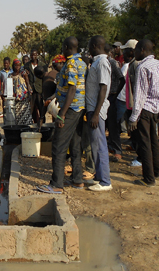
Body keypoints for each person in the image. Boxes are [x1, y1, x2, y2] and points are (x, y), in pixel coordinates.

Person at [37, 36, 87, 194]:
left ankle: (56, 184)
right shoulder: (82, 62)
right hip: (79, 108)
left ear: (66, 47)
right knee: (75, 145)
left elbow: (72, 89)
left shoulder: (71, 63)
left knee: (58, 146)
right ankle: (77, 180)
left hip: (70, 109)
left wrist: (62, 114)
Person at [128, 39, 159, 187]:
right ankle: (157, 171)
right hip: (156, 108)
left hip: (144, 110)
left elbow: (140, 94)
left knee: (145, 143)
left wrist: (134, 117)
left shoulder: (142, 67)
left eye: (136, 50)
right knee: (154, 141)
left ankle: (148, 178)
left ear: (143, 50)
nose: (135, 53)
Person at [85, 35, 112, 192]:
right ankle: (99, 176)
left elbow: (103, 88)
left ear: (95, 45)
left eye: (89, 45)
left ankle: (106, 181)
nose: (88, 49)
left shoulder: (102, 63)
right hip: (92, 108)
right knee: (94, 144)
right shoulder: (96, 62)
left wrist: (96, 113)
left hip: (97, 110)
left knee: (100, 143)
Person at [120, 39, 142, 167]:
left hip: (134, 104)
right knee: (134, 132)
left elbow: (136, 87)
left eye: (126, 50)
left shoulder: (135, 65)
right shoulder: (132, 64)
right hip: (130, 103)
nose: (124, 52)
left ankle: (140, 158)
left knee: (137, 132)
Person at [105, 44, 125, 162]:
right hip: (106, 96)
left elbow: (121, 79)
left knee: (113, 126)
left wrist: (115, 93)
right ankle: (111, 146)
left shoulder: (112, 63)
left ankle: (118, 151)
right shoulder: (104, 63)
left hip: (112, 96)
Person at [24, 49, 46, 124]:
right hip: (31, 90)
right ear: (30, 56)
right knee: (31, 109)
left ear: (37, 55)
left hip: (39, 89)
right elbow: (24, 75)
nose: (33, 56)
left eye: (35, 55)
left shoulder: (42, 65)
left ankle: (43, 124)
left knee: (41, 108)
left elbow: (44, 78)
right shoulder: (27, 65)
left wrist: (44, 91)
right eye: (32, 55)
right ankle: (33, 124)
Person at [10, 59, 33, 125]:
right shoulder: (10, 75)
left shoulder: (23, 73)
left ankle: (27, 128)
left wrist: (29, 93)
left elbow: (27, 83)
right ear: (13, 66)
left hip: (24, 97)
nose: (17, 67)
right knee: (18, 114)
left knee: (25, 112)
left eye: (19, 66)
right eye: (16, 66)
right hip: (16, 98)